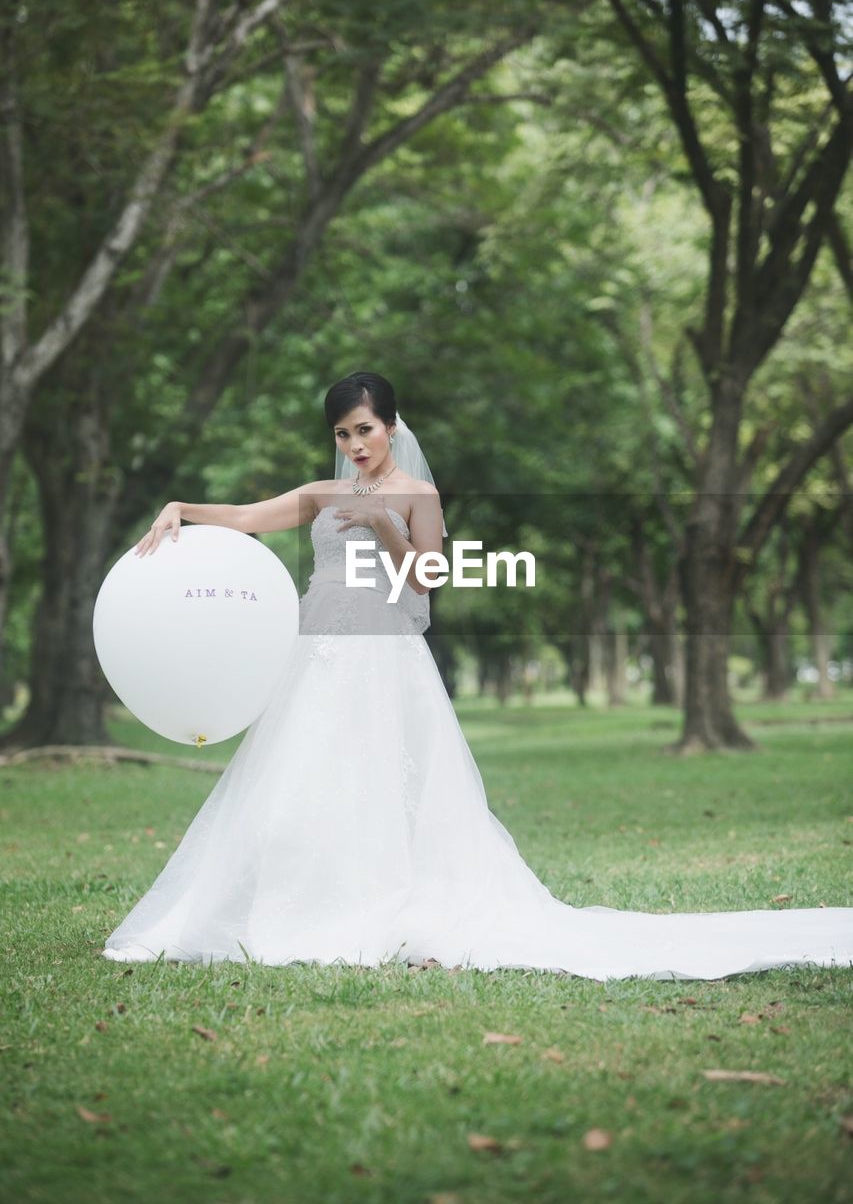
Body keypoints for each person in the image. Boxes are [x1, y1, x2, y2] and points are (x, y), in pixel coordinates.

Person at [101, 372, 853, 980]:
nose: (354, 444)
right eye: (342, 433)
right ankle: (294, 905)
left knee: (383, 781)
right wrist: (179, 509)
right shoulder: (326, 495)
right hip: (319, 656)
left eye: (364, 428)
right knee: (301, 782)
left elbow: (426, 580)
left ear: (390, 426)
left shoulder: (417, 497)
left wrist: (384, 525)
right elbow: (245, 515)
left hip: (384, 662)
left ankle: (386, 905)